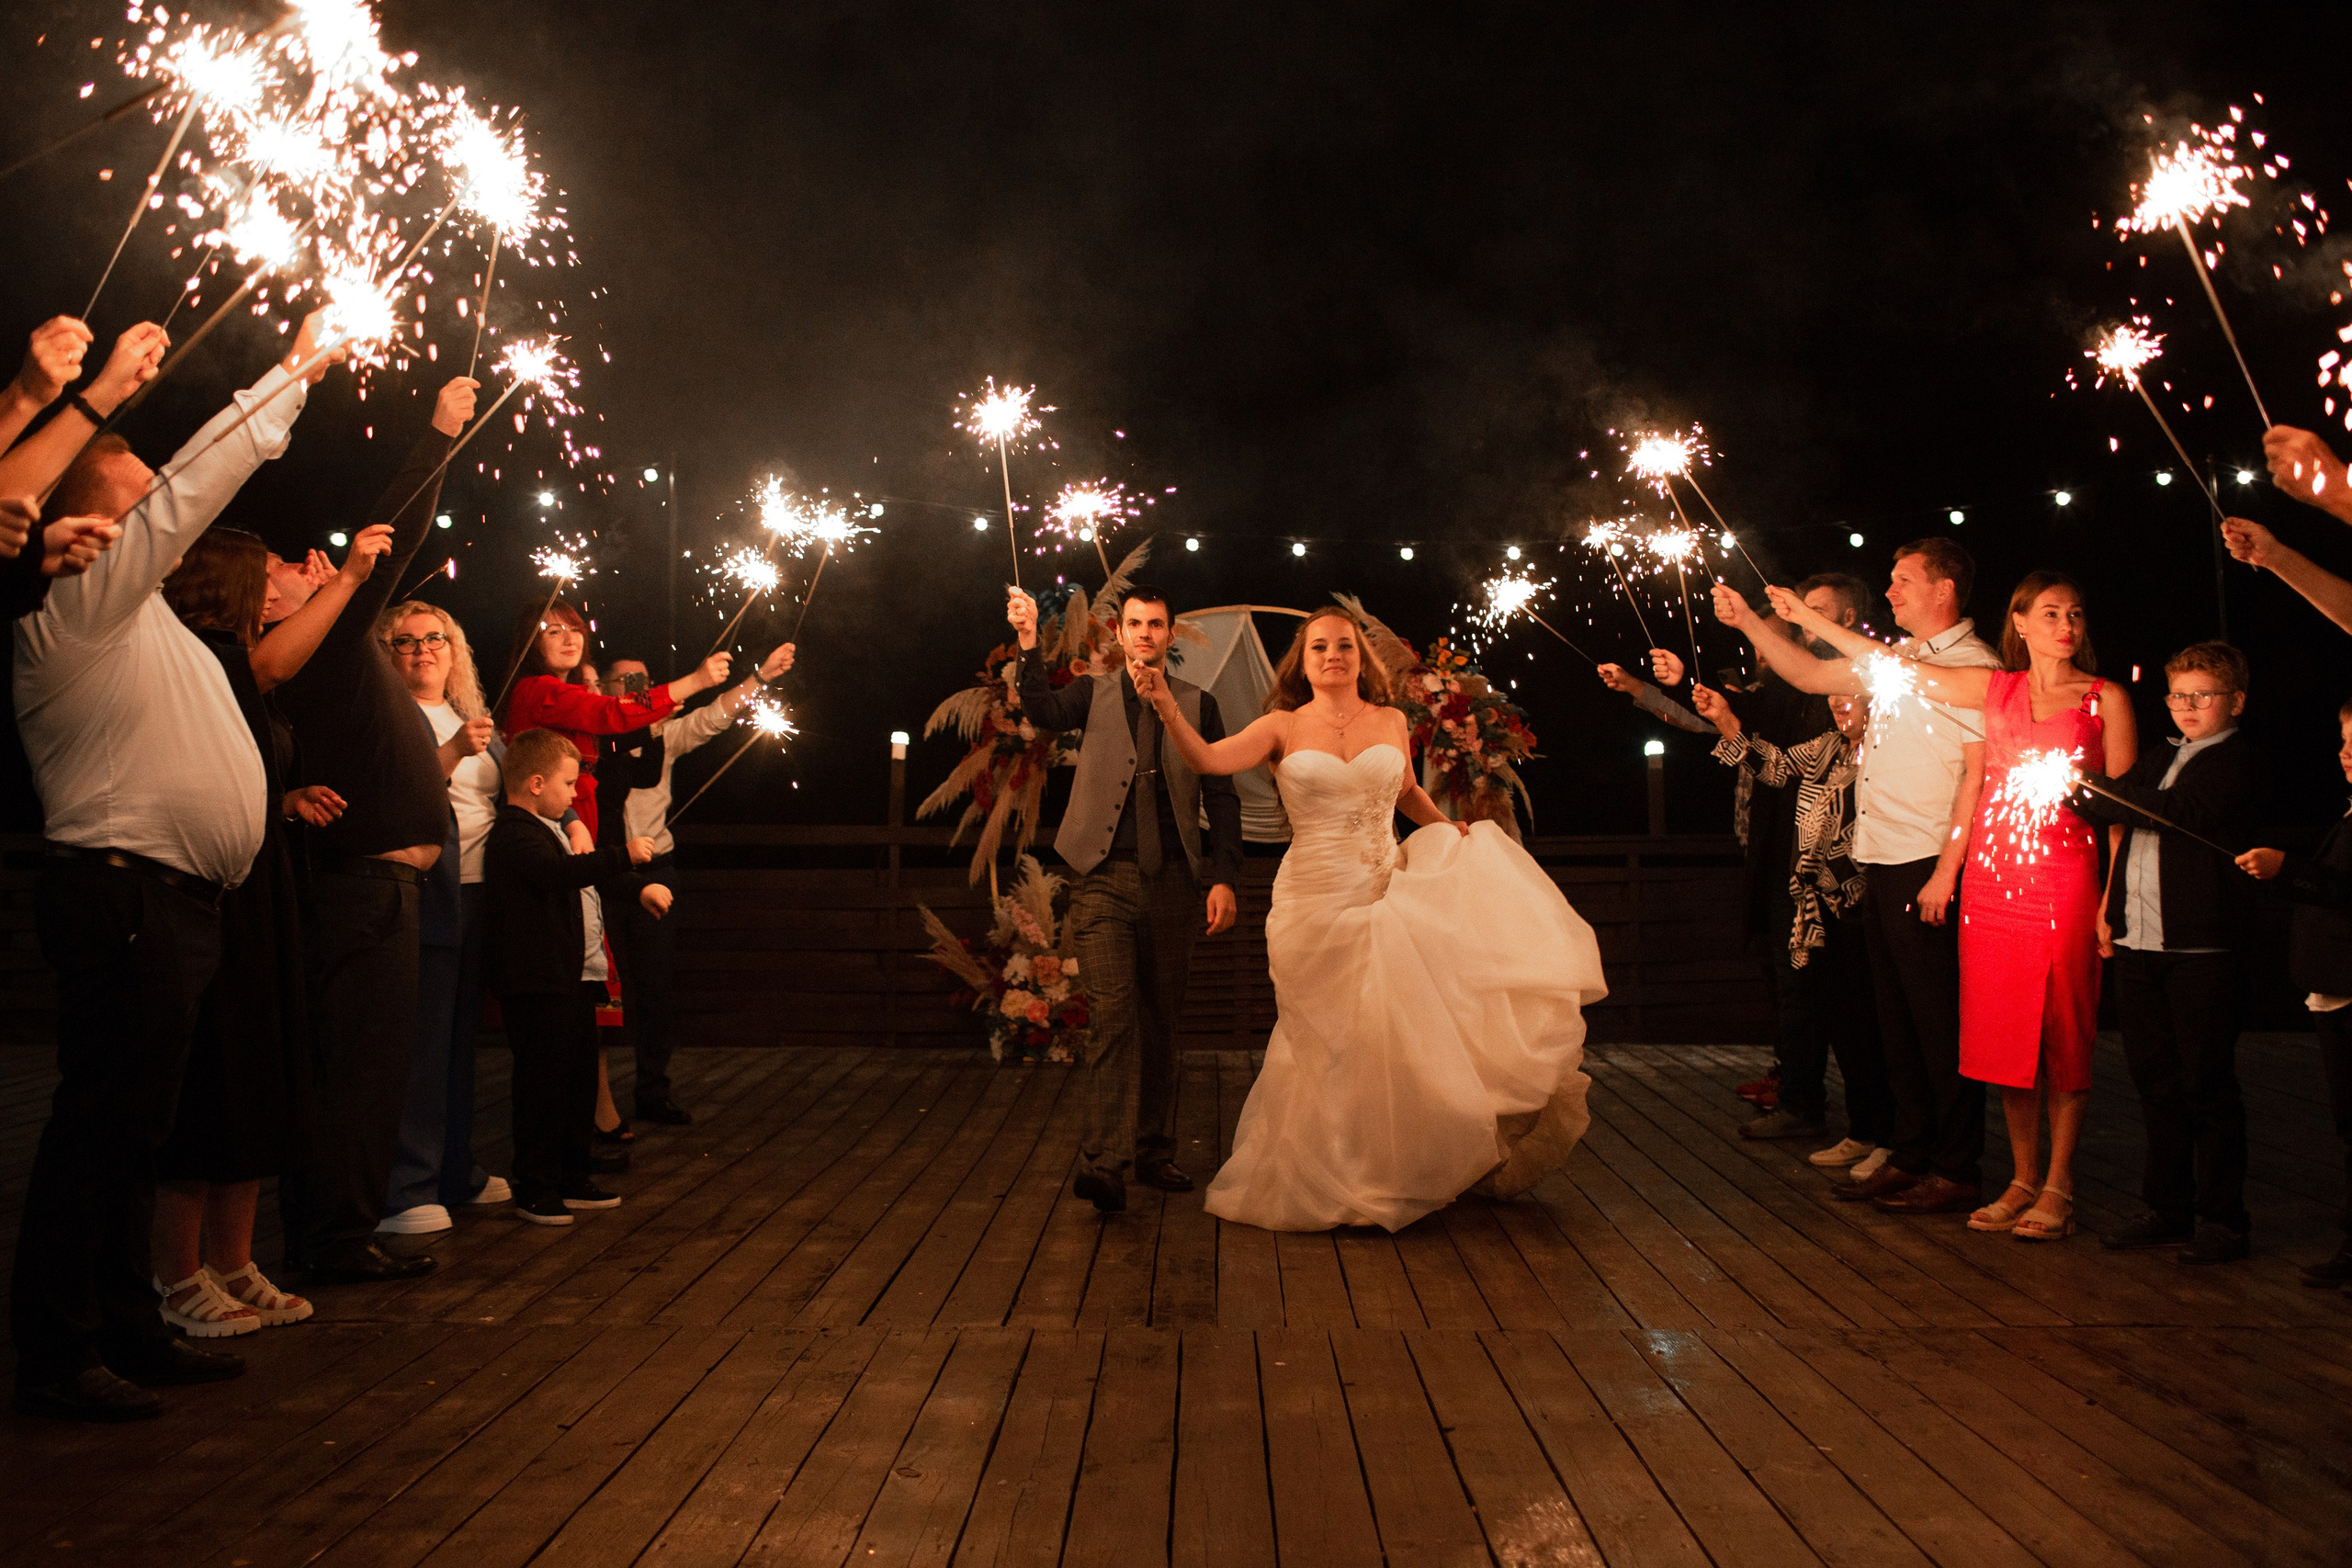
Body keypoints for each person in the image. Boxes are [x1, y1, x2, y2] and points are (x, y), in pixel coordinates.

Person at [12, 313, 337, 1423]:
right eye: (133, 496)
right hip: (125, 895)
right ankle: (58, 1351)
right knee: (101, 1129)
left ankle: (126, 1328)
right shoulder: (71, 607)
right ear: (79, 518)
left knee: (138, 1133)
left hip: (175, 904)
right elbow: (192, 491)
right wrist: (291, 374)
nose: (157, 506)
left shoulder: (145, 621)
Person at [1136, 604, 1607, 1232]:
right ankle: (1333, 1171)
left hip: (1385, 891)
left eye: (1345, 646)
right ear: (1302, 663)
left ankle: (1388, 1173)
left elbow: (1406, 791)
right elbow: (1207, 760)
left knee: (1390, 1036)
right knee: (1327, 1043)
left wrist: (1448, 828)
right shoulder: (1280, 725)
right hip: (1309, 901)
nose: (1333, 655)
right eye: (1320, 646)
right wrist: (1166, 705)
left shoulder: (1390, 719)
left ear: (1361, 660)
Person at [1765, 571, 2136, 1240]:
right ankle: (2022, 1179)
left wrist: (2114, 896)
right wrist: (1806, 619)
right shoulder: (1998, 690)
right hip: (1994, 879)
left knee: (2063, 1029)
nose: (2066, 625)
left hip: (2064, 875)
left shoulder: (2105, 698)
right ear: (2020, 622)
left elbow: (2125, 814)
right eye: (2051, 612)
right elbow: (1893, 668)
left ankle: (2059, 1185)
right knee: (2006, 1035)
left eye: (2076, 613)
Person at [146, 523, 391, 1337]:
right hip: (215, 896)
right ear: (234, 584)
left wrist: (284, 801)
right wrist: (344, 581)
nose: (294, 567)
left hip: (265, 888)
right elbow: (269, 665)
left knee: (259, 1076)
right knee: (214, 1083)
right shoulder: (210, 657)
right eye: (276, 564)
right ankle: (176, 1273)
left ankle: (233, 1261)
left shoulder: (253, 674)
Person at [1713, 540, 2002, 1216]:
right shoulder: (1903, 659)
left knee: (1936, 1024)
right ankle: (1910, 1153)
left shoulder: (1972, 664)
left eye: (1904, 581)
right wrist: (1751, 622)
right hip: (1881, 856)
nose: (1891, 592)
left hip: (1927, 862)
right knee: (1896, 1024)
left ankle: (1956, 1166)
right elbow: (1812, 676)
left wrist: (1946, 870)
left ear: (1945, 589)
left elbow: (1978, 777)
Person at [270, 375, 479, 1284]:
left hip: (383, 890)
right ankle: (331, 1240)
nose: (311, 563)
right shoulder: (318, 644)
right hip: (361, 890)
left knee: (371, 1068)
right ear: (267, 606)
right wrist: (436, 437)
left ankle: (338, 1231)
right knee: (356, 1071)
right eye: (288, 569)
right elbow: (391, 541)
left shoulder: (336, 652)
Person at [1005, 583, 1242, 1213]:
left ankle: (1153, 1150)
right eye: (1135, 623)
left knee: (1161, 1018)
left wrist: (1222, 876)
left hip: (1174, 880)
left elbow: (1221, 793)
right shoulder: (1094, 691)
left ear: (1170, 634)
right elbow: (1041, 709)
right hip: (1102, 879)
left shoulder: (1200, 704)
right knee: (1113, 1015)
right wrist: (1028, 640)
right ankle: (1104, 1163)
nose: (1144, 633)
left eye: (1156, 624)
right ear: (1119, 633)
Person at [2073, 643, 2261, 1263]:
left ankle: (2224, 1220)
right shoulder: (2161, 756)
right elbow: (2117, 803)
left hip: (2200, 947)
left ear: (2235, 701)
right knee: (2156, 1082)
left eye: (2202, 695)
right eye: (2178, 695)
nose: (2187, 706)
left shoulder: (2235, 761)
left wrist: (2101, 793)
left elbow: (2182, 812)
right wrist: (2079, 790)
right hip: (2139, 942)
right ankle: (2168, 1208)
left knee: (2207, 1085)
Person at [1687, 678, 1889, 1169]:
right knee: (1842, 1020)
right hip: (1819, 906)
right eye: (1833, 695)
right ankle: (1864, 1131)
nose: (1838, 702)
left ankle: (1892, 1139)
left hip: (1869, 901)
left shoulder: (1890, 751)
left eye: (1849, 693)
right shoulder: (1827, 747)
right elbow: (1775, 766)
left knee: (1874, 1024)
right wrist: (1724, 720)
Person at [598, 642, 797, 1124]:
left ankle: (652, 1091)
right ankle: (593, 1100)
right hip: (600, 873)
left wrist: (760, 677)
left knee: (656, 988)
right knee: (597, 990)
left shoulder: (663, 734)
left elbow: (715, 715)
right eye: (625, 681)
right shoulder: (589, 739)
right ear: (602, 690)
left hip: (655, 871)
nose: (637, 689)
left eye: (644, 682)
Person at [484, 729, 668, 1226]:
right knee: (542, 1086)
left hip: (572, 977)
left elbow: (587, 875)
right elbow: (559, 875)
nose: (574, 795)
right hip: (537, 981)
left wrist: (637, 888)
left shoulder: (548, 831)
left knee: (578, 1081)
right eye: (567, 784)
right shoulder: (515, 834)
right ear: (536, 784)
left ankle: (571, 1174)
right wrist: (623, 854)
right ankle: (535, 1186)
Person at [378, 601, 513, 1235]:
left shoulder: (467, 714)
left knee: (461, 1042)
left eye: (435, 638)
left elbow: (516, 785)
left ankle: (455, 1169)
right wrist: (456, 750)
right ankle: (407, 1185)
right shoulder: (387, 713)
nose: (422, 649)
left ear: (454, 650)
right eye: (405, 641)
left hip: (481, 894)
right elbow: (397, 790)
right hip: (428, 890)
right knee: (423, 1043)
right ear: (387, 653)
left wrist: (569, 819)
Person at [2234, 700, 2352, 1291]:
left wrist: (2290, 869)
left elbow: (2343, 886)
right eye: (2344, 740)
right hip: (2334, 985)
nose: (2346, 754)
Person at [494, 599, 730, 838]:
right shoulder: (536, 690)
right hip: (548, 829)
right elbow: (612, 713)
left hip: (571, 823)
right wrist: (696, 681)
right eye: (554, 632)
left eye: (575, 630)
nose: (570, 640)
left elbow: (640, 770)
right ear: (532, 643)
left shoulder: (560, 692)